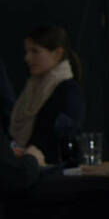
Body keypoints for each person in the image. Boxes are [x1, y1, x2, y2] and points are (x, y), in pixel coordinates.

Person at [9, 26, 83, 164]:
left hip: (54, 172)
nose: (27, 58)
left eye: (35, 51)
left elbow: (64, 140)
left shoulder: (68, 91)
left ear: (57, 54)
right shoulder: (32, 88)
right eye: (27, 52)